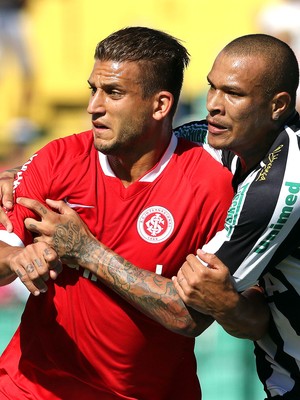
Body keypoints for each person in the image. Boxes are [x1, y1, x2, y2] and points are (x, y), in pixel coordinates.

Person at [0, 26, 269, 400]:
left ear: (160, 105)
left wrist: (87, 252)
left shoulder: (211, 186)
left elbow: (191, 316)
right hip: (33, 388)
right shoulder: (58, 160)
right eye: (93, 89)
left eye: (113, 93)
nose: (94, 106)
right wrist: (16, 256)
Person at [171, 34, 300, 399]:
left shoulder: (281, 185)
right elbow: (135, 145)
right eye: (211, 87)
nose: (213, 104)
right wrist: (27, 176)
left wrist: (88, 252)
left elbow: (188, 309)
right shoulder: (233, 138)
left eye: (233, 94)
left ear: (278, 105)